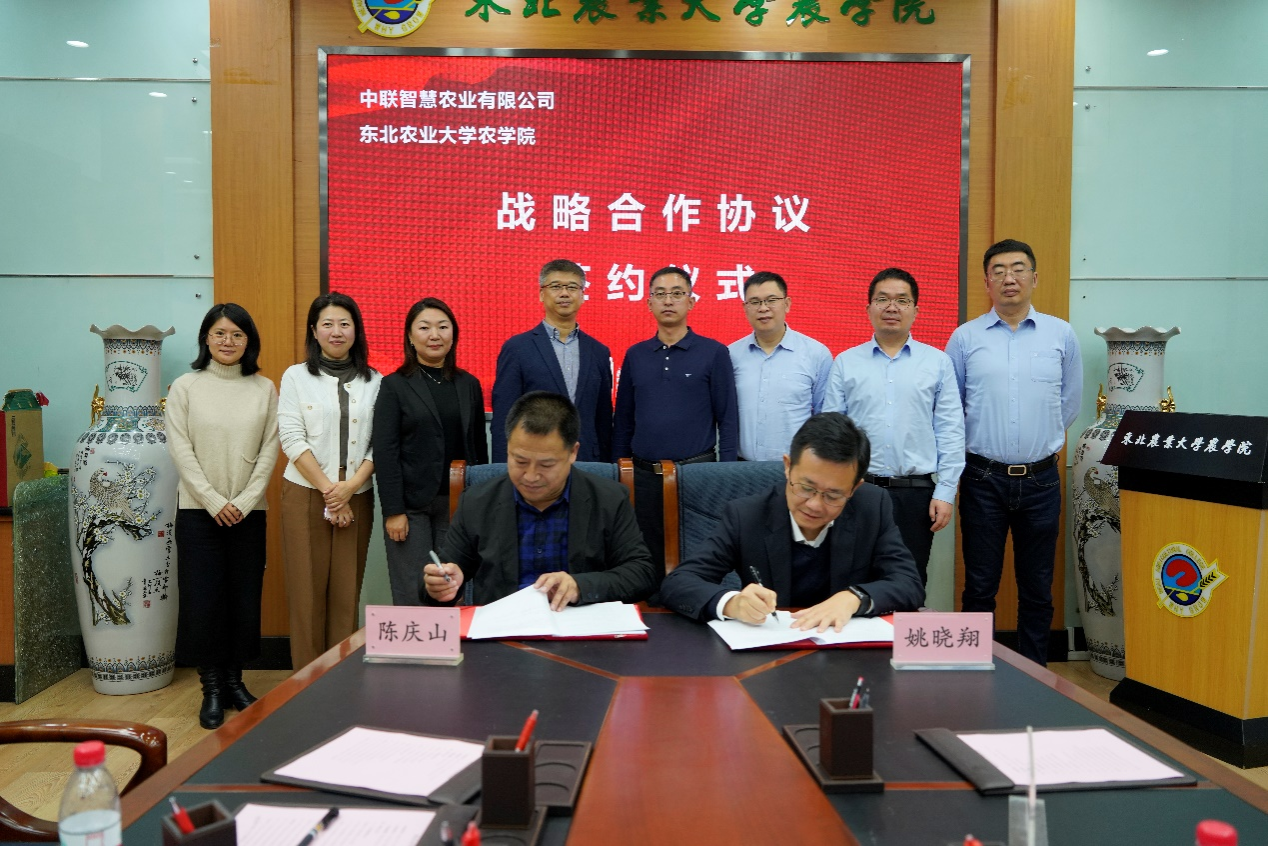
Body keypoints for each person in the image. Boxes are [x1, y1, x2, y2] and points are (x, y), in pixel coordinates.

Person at [945, 239, 1082, 666]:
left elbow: (1069, 404)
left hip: (1041, 480)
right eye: (999, 270)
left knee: (1037, 588)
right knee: (979, 586)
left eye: (1019, 268)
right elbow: (951, 408)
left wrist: (1041, 442)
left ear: (1034, 278)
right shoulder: (965, 338)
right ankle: (973, 672)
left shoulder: (1061, 334)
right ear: (987, 282)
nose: (1009, 278)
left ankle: (1035, 675)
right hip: (982, 478)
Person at [659, 413, 923, 630]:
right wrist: (732, 603)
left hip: (846, 653)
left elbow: (909, 584)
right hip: (772, 651)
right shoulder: (747, 515)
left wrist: (854, 597)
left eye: (833, 495)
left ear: (854, 489)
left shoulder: (872, 507)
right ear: (788, 466)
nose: (814, 505)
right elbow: (678, 583)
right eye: (806, 488)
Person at [423, 391, 656, 608]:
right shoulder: (477, 502)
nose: (531, 476)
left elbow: (641, 574)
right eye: (520, 461)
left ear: (573, 452)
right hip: (504, 629)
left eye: (546, 465)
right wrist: (440, 585)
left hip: (580, 627)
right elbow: (442, 576)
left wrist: (580, 586)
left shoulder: (609, 499)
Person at [165, 303, 279, 729]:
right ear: (206, 339)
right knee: (204, 602)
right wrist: (214, 501)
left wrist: (246, 500)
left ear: (249, 341)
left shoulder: (264, 388)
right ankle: (211, 688)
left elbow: (270, 449)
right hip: (199, 514)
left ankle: (235, 682)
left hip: (249, 513)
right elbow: (180, 449)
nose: (227, 341)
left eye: (237, 334)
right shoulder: (185, 387)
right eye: (219, 333)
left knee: (243, 599)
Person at [823, 268, 964, 586]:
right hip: (858, 491)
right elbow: (832, 434)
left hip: (915, 495)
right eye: (882, 299)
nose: (892, 307)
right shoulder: (846, 362)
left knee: (908, 583)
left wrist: (945, 492)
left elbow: (950, 430)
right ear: (868, 308)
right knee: (853, 582)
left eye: (902, 300)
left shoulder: (937, 363)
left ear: (916, 310)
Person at [278, 292, 381, 671]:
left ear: (356, 330)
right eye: (328, 324)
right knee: (306, 592)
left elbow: (380, 443)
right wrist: (330, 491)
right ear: (314, 330)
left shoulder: (376, 381)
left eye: (344, 324)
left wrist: (349, 488)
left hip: (358, 492)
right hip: (305, 492)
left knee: (345, 592)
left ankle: (341, 679)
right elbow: (291, 438)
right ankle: (305, 682)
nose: (336, 332)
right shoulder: (295, 376)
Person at [613, 266, 738, 573]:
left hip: (696, 475)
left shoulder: (714, 352)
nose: (668, 300)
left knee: (699, 557)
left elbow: (728, 419)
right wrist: (619, 473)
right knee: (645, 559)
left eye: (677, 294)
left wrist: (726, 474)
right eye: (660, 294)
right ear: (649, 302)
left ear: (691, 301)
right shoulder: (635, 354)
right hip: (643, 477)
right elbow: (624, 420)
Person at [373, 297, 488, 606]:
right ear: (410, 337)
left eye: (442, 327)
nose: (434, 335)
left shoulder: (469, 384)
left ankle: (454, 640)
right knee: (412, 589)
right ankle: (415, 642)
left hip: (458, 503)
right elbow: (385, 450)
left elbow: (479, 448)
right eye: (424, 328)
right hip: (411, 507)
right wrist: (393, 511)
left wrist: (480, 502)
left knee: (452, 588)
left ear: (454, 334)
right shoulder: (394, 385)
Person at [491, 259, 613, 463]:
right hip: (535, 463)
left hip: (588, 462)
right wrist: (503, 470)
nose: (564, 293)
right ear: (542, 294)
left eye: (572, 287)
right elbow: (504, 417)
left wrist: (607, 469)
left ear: (582, 295)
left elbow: (603, 419)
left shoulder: (599, 351)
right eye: (556, 286)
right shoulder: (517, 348)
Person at [729, 271, 832, 461]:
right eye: (755, 302)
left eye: (771, 300)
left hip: (795, 468)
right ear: (745, 308)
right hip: (741, 468)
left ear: (787, 304)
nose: (763, 308)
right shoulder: (731, 355)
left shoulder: (816, 354)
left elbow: (825, 418)